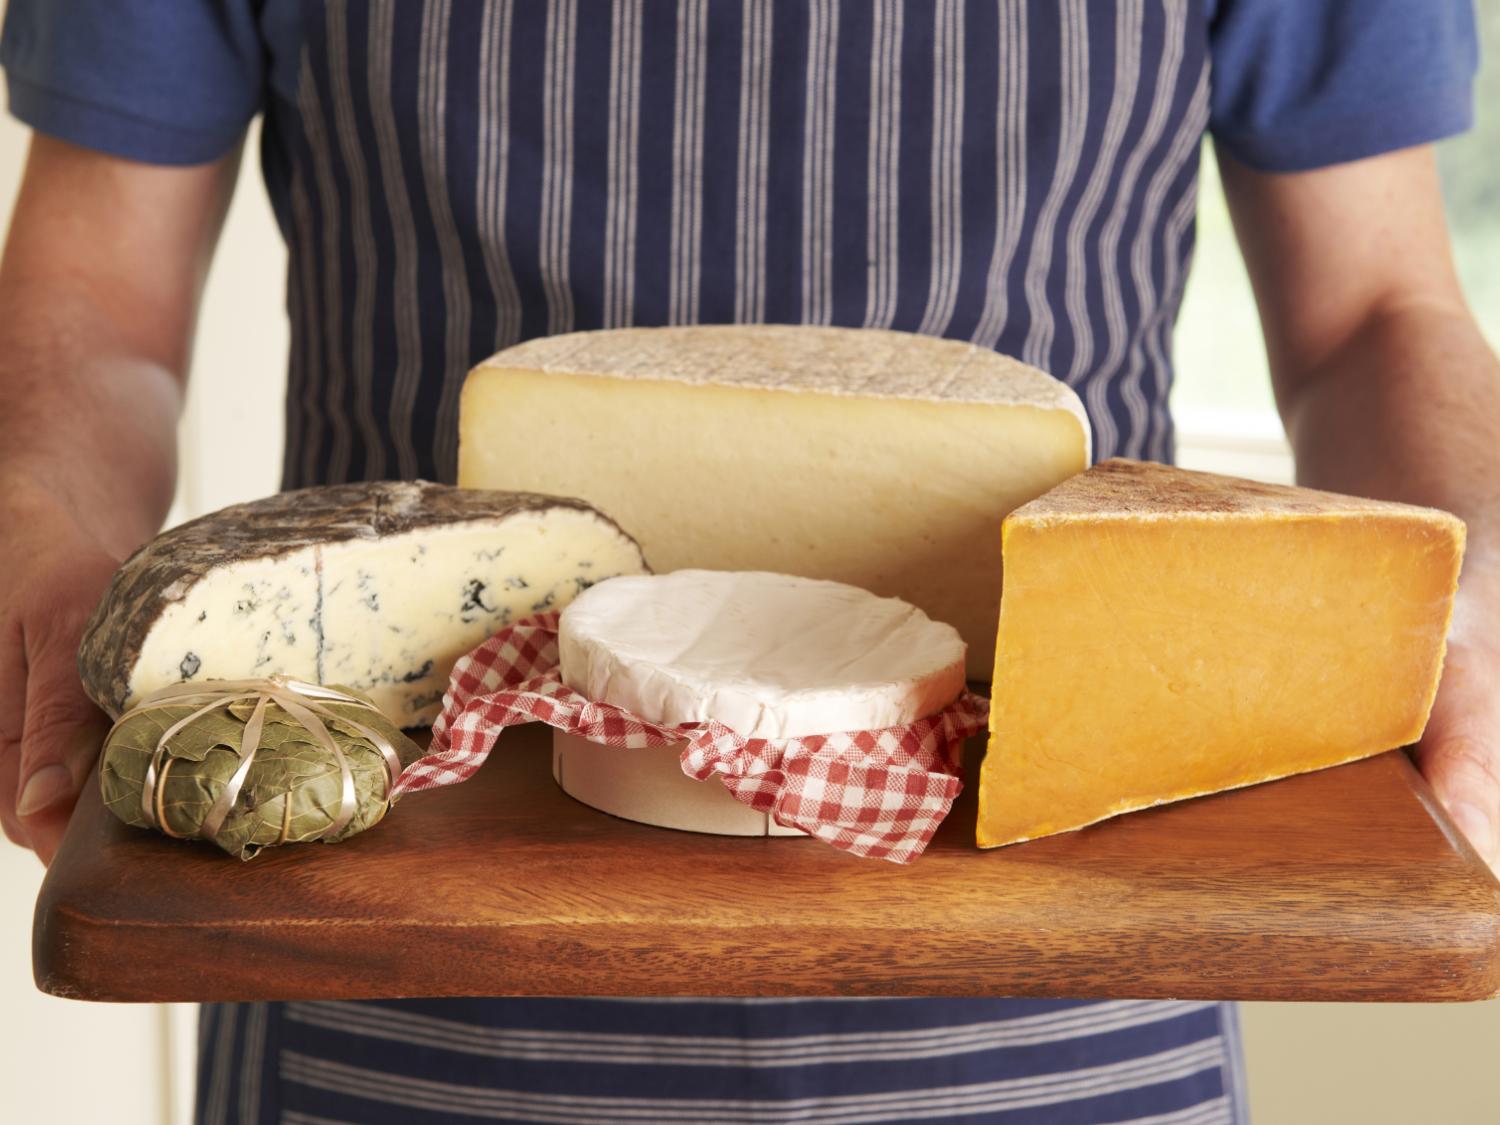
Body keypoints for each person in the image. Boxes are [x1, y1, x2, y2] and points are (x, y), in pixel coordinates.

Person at [0, 3, 1492, 1123]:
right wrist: (40, 515)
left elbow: (1371, 312)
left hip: (1058, 990)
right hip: (395, 983)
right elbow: (98, 298)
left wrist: (1469, 572)